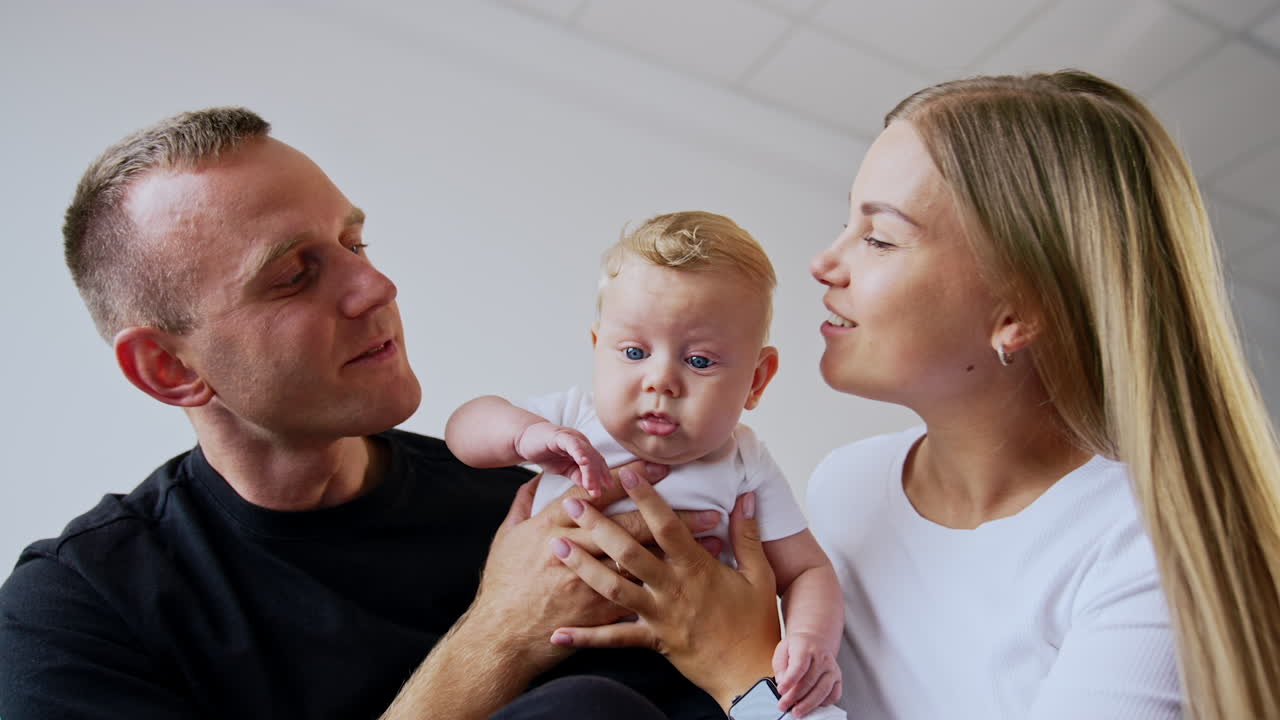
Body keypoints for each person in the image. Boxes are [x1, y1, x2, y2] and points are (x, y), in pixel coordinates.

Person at [546, 70, 1280, 720]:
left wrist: (743, 674)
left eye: (880, 239)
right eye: (846, 222)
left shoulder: (1148, 551)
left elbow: (753, 684)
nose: (824, 263)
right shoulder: (849, 485)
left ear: (1018, 312)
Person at [0, 107, 734, 720]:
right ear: (169, 368)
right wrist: (500, 635)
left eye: (356, 242)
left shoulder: (542, 510)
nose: (376, 286)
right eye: (294, 275)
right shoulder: (74, 610)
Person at [445, 211, 843, 716]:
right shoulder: (573, 420)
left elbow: (808, 570)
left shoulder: (745, 462)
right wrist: (522, 435)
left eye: (698, 361)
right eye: (633, 352)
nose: (660, 380)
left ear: (757, 380)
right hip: (551, 663)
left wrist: (810, 641)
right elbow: (463, 427)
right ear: (597, 350)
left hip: (691, 677)